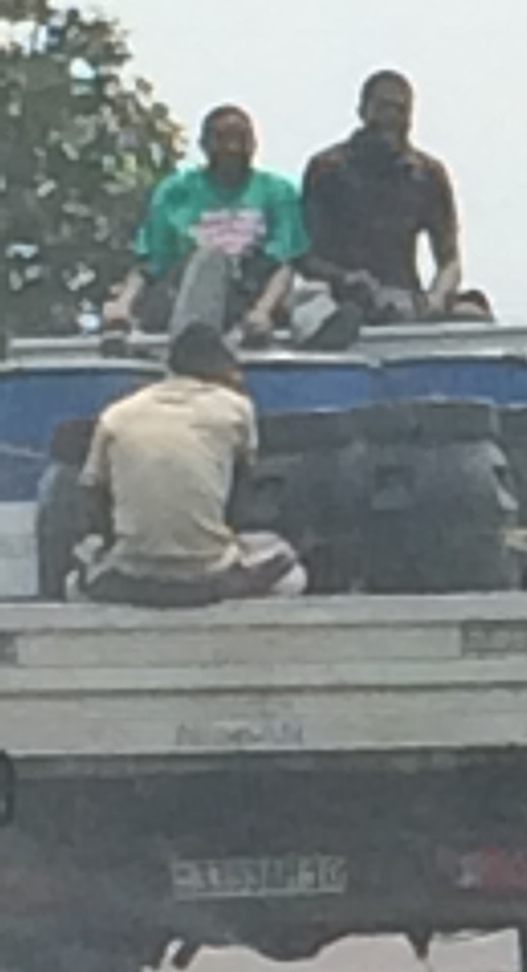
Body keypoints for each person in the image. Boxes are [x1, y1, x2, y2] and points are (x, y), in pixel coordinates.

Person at [75, 324, 304, 607]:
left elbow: (92, 496)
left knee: (75, 581)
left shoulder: (117, 414)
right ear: (224, 367)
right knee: (292, 574)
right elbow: (240, 495)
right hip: (209, 573)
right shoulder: (236, 407)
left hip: (133, 573)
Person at [102, 106, 305, 344]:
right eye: (222, 139)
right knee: (209, 261)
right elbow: (152, 263)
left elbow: (284, 263)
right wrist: (122, 305)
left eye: (241, 139)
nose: (232, 148)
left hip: (248, 297)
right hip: (181, 298)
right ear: (204, 144)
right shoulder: (176, 191)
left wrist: (263, 311)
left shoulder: (277, 191)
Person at [300, 71, 464, 326]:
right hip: (336, 303)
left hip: (405, 304)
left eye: (401, 109)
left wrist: (437, 298)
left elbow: (449, 260)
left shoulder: (427, 175)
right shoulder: (327, 169)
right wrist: (345, 278)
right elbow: (304, 255)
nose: (392, 117)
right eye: (383, 107)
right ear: (362, 111)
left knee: (475, 315)